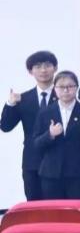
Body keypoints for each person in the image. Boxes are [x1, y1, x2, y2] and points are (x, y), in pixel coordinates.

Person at [3, 50, 59, 200]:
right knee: (34, 204)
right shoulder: (23, 98)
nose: (43, 70)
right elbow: (5, 126)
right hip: (32, 161)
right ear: (30, 71)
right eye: (38, 66)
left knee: (57, 206)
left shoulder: (65, 96)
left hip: (58, 160)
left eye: (47, 65)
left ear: (55, 68)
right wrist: (10, 104)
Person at [32, 70, 80, 200]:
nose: (66, 90)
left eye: (70, 86)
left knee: (77, 210)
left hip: (78, 175)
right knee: (53, 211)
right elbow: (36, 144)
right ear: (55, 89)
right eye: (61, 87)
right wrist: (50, 134)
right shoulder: (45, 112)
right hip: (51, 174)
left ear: (76, 87)